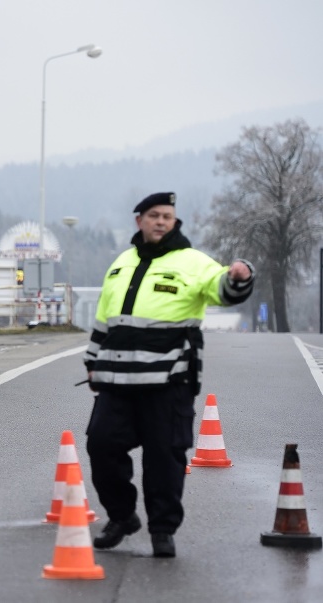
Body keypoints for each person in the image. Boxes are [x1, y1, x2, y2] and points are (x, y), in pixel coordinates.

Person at [84, 192, 255, 558]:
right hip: (117, 381)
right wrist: (92, 359)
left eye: (168, 216)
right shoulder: (121, 263)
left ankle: (163, 530)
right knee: (101, 447)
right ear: (139, 220)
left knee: (164, 459)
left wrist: (239, 277)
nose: (162, 221)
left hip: (169, 382)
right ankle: (122, 516)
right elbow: (105, 319)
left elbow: (222, 289)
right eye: (155, 215)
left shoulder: (194, 262)